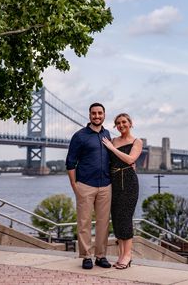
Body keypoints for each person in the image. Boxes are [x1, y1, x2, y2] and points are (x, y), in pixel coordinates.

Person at [66, 103, 112, 270]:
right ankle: (86, 256)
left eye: (100, 113)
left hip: (106, 185)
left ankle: (101, 256)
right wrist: (74, 184)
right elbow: (70, 162)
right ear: (89, 115)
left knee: (103, 223)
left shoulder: (107, 134)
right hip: (85, 185)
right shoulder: (79, 136)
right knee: (84, 222)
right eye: (94, 113)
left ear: (104, 115)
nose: (97, 116)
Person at [102, 113, 143, 270]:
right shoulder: (112, 140)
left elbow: (130, 159)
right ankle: (121, 254)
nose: (121, 125)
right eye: (118, 123)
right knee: (117, 219)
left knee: (125, 217)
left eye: (124, 122)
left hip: (129, 183)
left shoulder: (136, 141)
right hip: (114, 182)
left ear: (130, 123)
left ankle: (127, 255)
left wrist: (112, 148)